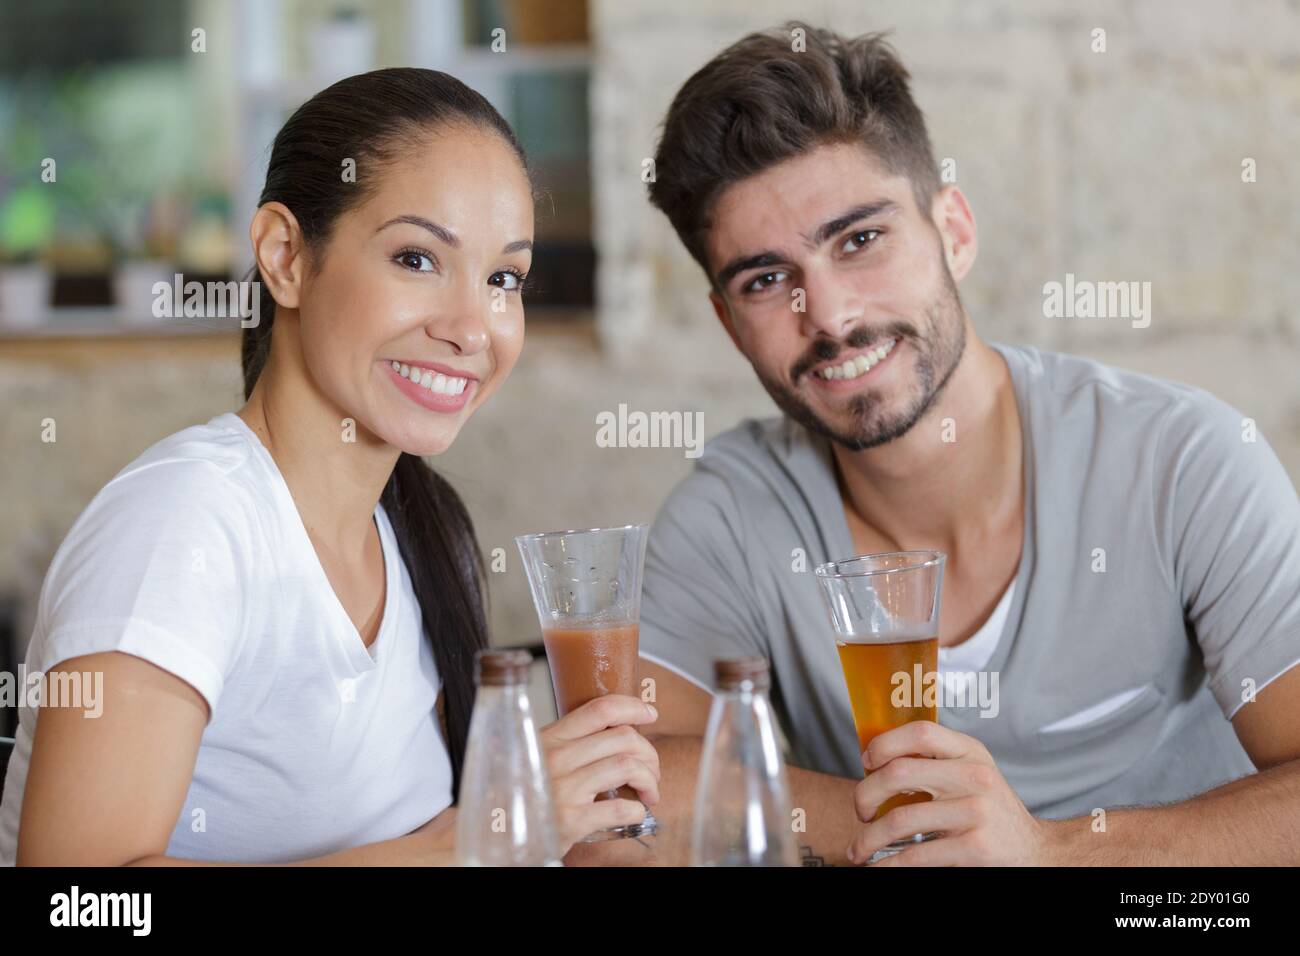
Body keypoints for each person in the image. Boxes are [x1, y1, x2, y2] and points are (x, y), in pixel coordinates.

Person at [633, 22, 1300, 865]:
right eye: (767, 280)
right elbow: (640, 783)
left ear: (954, 230)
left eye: (860, 240)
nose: (831, 316)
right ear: (730, 325)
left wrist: (1050, 853)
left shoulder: (1183, 460)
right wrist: (900, 821)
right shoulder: (733, 513)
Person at [0, 68, 659, 866]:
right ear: (285, 258)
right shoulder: (183, 525)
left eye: (502, 279)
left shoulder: (426, 534)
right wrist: (472, 840)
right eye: (417, 258)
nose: (470, 327)